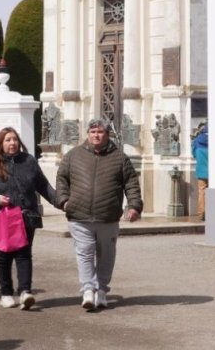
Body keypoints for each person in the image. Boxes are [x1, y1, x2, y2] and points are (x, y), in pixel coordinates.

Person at [56, 118, 143, 311]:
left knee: (106, 255)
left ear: (107, 134)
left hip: (108, 216)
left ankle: (102, 290)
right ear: (87, 134)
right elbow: (62, 179)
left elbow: (131, 183)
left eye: (100, 132)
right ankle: (88, 290)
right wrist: (64, 201)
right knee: (85, 253)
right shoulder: (73, 156)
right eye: (93, 131)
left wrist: (134, 205)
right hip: (79, 215)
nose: (96, 135)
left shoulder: (120, 158)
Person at [0, 126, 61, 310]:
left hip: (25, 215)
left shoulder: (29, 161)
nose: (12, 143)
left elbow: (43, 186)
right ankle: (6, 293)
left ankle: (25, 292)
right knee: (3, 254)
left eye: (15, 139)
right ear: (1, 144)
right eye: (8, 140)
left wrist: (61, 202)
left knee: (24, 253)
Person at [192, 123, 208, 221]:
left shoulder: (197, 141)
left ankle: (202, 213)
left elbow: (193, 154)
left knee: (202, 192)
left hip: (201, 171)